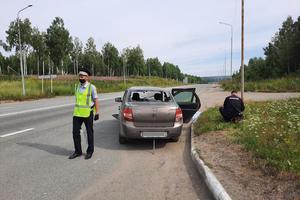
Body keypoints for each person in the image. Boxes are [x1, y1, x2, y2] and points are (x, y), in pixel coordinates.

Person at [69, 68, 99, 160]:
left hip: (87, 113)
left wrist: (97, 112)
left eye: (82, 76)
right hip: (77, 114)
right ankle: (78, 151)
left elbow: (96, 100)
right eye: (80, 76)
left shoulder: (91, 87)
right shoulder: (77, 86)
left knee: (89, 133)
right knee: (75, 132)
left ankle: (90, 152)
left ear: (87, 77)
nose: (80, 78)